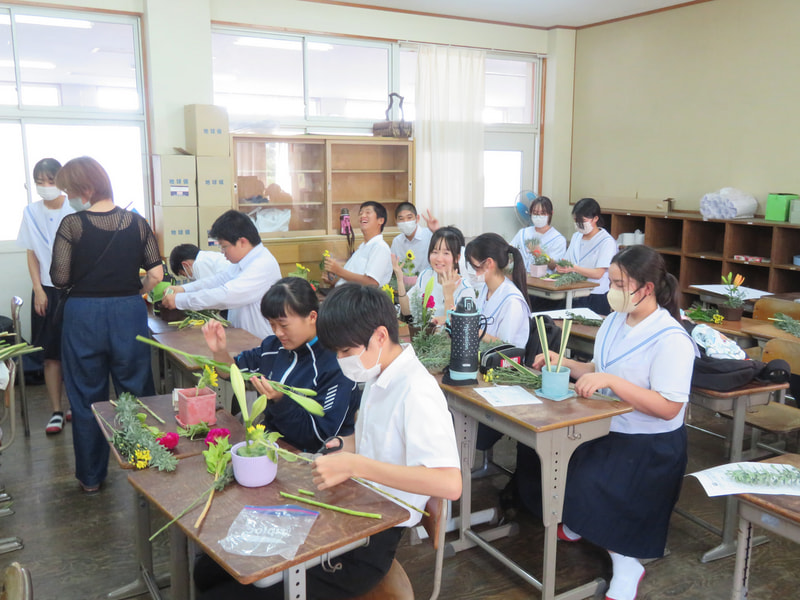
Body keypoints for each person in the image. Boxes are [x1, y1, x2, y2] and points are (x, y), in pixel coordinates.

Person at [195, 284, 461, 599]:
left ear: (378, 336)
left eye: (345, 352)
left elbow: (449, 484)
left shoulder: (417, 391)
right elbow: (374, 443)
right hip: (348, 509)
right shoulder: (378, 375)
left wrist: (358, 465)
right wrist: (345, 447)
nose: (340, 359)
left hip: (369, 540)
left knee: (226, 593)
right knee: (208, 570)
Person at [521, 245, 697, 600]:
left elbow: (668, 408)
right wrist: (564, 361)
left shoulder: (671, 338)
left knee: (590, 483)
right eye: (612, 282)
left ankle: (627, 563)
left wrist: (614, 383)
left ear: (646, 288)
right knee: (547, 463)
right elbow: (600, 371)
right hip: (604, 425)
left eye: (619, 284)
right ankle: (582, 521)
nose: (611, 290)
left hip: (648, 445)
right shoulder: (617, 320)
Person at [50, 156, 163, 494]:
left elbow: (59, 278)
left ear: (86, 189)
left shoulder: (72, 224)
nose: (68, 196)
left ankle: (91, 478)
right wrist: (134, 294)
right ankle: (141, 463)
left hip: (83, 315)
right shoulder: (138, 223)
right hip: (128, 312)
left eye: (70, 189)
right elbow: (156, 274)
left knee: (86, 397)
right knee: (136, 391)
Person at [201, 277, 360, 452]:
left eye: (284, 325)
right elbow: (231, 372)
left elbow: (319, 436)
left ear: (312, 317)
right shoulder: (273, 347)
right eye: (272, 324)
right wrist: (219, 351)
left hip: (310, 458)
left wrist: (280, 399)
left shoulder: (335, 362)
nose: (278, 332)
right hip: (271, 444)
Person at [15, 158, 74, 434]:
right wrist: (38, 289)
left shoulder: (75, 208)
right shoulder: (31, 212)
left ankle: (77, 404)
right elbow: (31, 254)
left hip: (74, 290)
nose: (45, 186)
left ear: (61, 181)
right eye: (40, 181)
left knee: (76, 352)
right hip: (46, 290)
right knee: (51, 355)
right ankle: (56, 411)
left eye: (50, 181)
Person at [161, 210, 280, 338]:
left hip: (260, 340)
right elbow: (218, 280)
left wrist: (180, 300)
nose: (222, 252)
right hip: (244, 338)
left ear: (242, 242)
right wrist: (183, 289)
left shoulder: (262, 264)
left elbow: (226, 295)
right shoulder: (242, 262)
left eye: (224, 246)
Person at [393, 226, 471, 325]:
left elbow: (452, 331)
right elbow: (406, 311)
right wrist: (400, 280)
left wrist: (448, 295)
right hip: (423, 336)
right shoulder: (426, 275)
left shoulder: (465, 289)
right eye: (435, 252)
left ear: (457, 257)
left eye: (446, 253)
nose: (439, 258)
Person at [464, 233, 532, 348]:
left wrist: (475, 331)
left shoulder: (512, 301)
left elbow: (505, 346)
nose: (472, 271)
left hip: (504, 363)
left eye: (474, 266)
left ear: (489, 263)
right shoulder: (486, 289)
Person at [557, 197, 617, 315]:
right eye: (576, 220)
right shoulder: (576, 237)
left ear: (595, 218)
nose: (578, 224)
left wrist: (573, 268)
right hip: (573, 291)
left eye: (582, 221)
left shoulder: (606, 241)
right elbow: (566, 260)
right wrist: (562, 267)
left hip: (595, 295)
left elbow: (598, 273)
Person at [323, 201, 392, 287]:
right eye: (361, 213)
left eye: (368, 212)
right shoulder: (363, 247)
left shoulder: (380, 247)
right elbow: (352, 279)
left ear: (380, 220)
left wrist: (339, 271)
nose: (363, 216)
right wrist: (334, 280)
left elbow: (372, 283)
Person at [509, 195, 567, 271]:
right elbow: (511, 251)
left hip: (543, 280)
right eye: (535, 213)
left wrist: (541, 255)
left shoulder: (558, 239)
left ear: (551, 213)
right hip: (520, 277)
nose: (538, 216)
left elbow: (556, 267)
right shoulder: (523, 233)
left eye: (543, 213)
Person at [390, 202, 432, 274]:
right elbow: (393, 266)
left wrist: (436, 230)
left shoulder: (429, 235)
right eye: (401, 219)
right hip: (405, 282)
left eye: (409, 218)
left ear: (417, 218)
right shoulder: (396, 241)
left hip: (427, 281)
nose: (405, 222)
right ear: (396, 221)